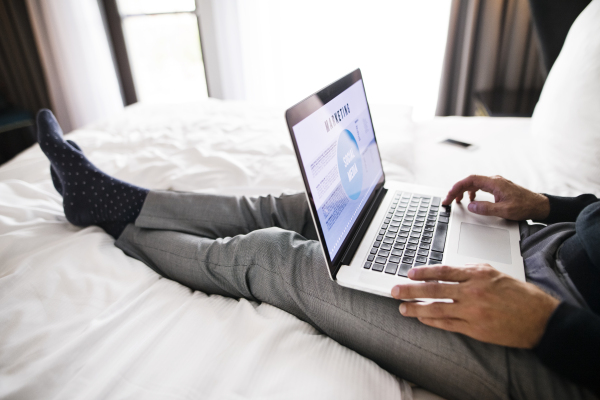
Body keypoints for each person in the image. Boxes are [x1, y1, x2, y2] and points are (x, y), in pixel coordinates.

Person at [36, 109, 599, 400]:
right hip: (538, 241)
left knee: (282, 257)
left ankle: (112, 218)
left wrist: (548, 327)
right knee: (312, 207)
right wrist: (553, 204)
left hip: (556, 340)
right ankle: (121, 198)